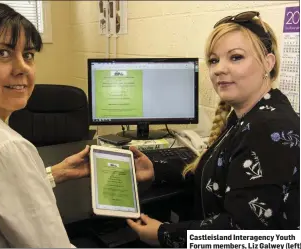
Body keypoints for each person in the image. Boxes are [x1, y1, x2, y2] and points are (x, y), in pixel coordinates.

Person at [0, 2, 154, 247]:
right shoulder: (4, 149)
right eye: (3, 53)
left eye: (28, 55)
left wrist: (56, 173)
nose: (23, 67)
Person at [127, 11, 300, 247]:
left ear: (268, 63)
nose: (219, 69)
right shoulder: (250, 115)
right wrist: (156, 170)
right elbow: (214, 175)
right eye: (214, 60)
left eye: (236, 57)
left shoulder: (268, 128)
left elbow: (241, 233)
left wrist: (164, 233)